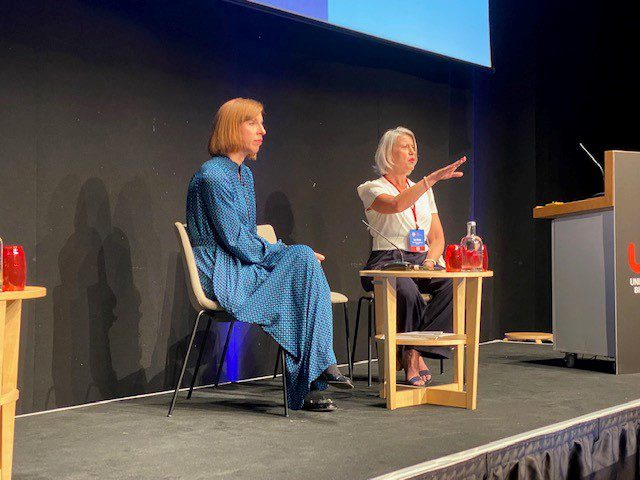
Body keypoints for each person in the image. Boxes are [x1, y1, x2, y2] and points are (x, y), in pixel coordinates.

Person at [187, 98, 352, 411]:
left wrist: (287, 255)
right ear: (233, 127)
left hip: (240, 263)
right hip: (220, 269)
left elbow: (245, 239)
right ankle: (315, 375)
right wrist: (284, 253)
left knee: (303, 269)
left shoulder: (244, 175)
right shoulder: (212, 176)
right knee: (302, 258)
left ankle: (313, 379)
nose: (263, 131)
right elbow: (236, 240)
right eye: (254, 123)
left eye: (262, 124)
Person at [357, 126, 466, 386]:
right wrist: (429, 180)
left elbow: (437, 238)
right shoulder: (371, 188)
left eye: (414, 147)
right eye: (405, 146)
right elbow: (396, 205)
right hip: (387, 261)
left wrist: (430, 261)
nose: (412, 151)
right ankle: (410, 356)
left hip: (421, 261)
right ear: (388, 153)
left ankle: (413, 351)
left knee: (452, 284)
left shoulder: (425, 191)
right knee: (406, 290)